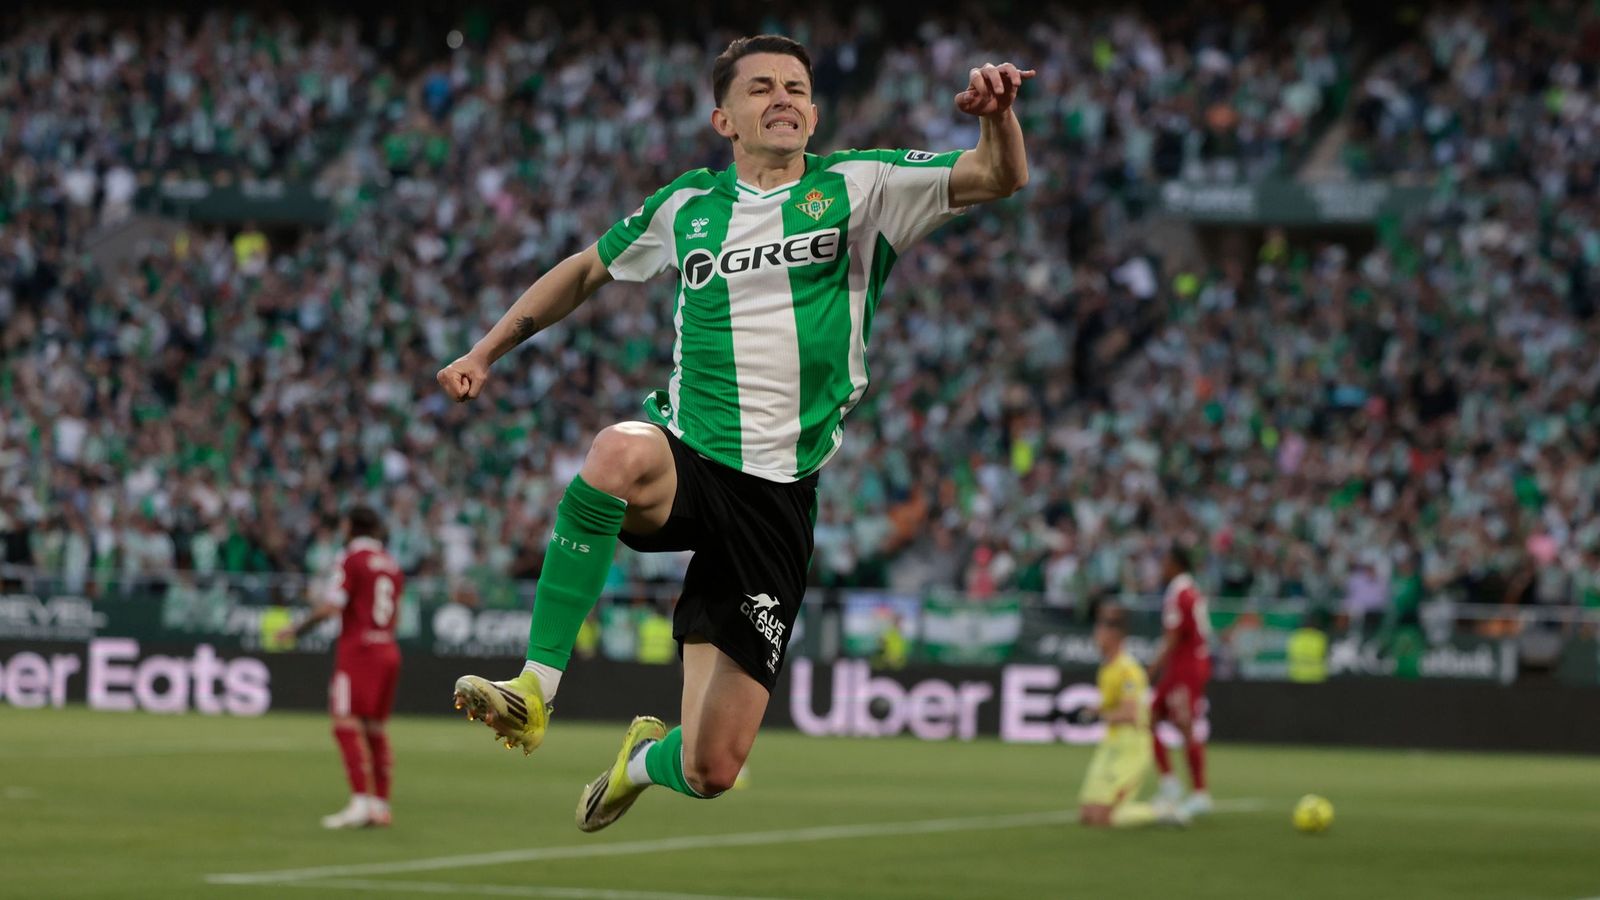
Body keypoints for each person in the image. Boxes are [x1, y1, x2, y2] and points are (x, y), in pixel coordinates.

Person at [436, 34, 1034, 832]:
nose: (782, 97)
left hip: (776, 501)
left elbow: (1000, 175)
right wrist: (484, 351)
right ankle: (536, 688)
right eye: (761, 88)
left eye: (796, 86)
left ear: (816, 112)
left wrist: (998, 118)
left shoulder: (865, 185)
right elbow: (584, 269)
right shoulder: (686, 206)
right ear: (725, 117)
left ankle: (642, 762)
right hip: (688, 454)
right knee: (615, 452)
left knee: (711, 768)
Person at [280, 506, 405, 829]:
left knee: (344, 720)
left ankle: (359, 802)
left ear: (350, 527)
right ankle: (380, 806)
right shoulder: (391, 564)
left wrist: (296, 629)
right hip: (388, 647)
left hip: (359, 649)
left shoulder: (350, 559)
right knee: (375, 729)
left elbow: (334, 606)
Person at [1077, 602, 1184, 828]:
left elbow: (1130, 713)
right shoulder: (1107, 668)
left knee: (1104, 817)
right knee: (1087, 814)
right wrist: (1088, 711)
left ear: (1115, 636)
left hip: (1131, 747)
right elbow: (1111, 707)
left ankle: (1161, 811)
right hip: (1111, 744)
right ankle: (1154, 809)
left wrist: (1097, 716)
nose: (1096, 638)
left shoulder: (1128, 669)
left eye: (1100, 632)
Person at [1149, 544, 1214, 818]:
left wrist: (1151, 668)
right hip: (1183, 664)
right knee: (1150, 716)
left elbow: (1173, 636)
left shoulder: (1179, 592)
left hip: (1186, 666)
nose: (1161, 567)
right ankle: (1170, 783)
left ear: (1176, 564)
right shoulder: (1189, 590)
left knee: (1185, 725)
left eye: (1164, 561)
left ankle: (1200, 793)